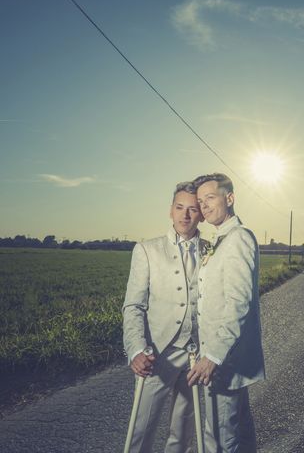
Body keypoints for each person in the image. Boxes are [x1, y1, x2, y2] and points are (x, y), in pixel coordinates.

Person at [122, 181, 207, 453]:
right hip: (158, 353)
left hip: (197, 354)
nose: (185, 215)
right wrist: (136, 349)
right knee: (141, 429)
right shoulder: (147, 250)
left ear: (202, 214)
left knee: (183, 431)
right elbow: (133, 306)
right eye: (179, 207)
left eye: (192, 209)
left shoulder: (212, 250)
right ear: (170, 210)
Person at [187, 173, 265, 453]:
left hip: (223, 358)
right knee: (240, 432)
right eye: (200, 201)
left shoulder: (238, 238)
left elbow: (238, 302)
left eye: (210, 198)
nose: (204, 206)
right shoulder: (221, 238)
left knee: (218, 440)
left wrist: (212, 356)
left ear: (229, 198)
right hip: (224, 356)